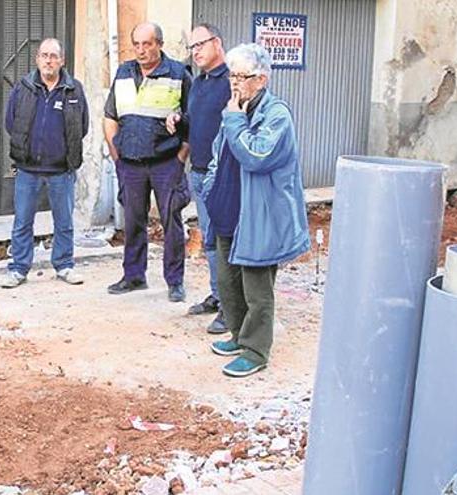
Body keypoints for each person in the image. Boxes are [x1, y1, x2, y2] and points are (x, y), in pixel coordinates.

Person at [202, 44, 310, 377]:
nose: (234, 82)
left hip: (258, 216)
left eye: (242, 76)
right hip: (228, 210)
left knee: (256, 288)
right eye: (232, 75)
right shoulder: (235, 107)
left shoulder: (276, 114)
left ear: (261, 79)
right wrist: (209, 189)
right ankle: (238, 335)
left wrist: (234, 120)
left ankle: (255, 350)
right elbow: (218, 154)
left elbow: (257, 155)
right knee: (228, 281)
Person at [103, 22, 192, 302]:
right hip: (130, 163)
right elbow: (110, 117)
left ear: (159, 44)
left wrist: (180, 159)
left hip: (167, 161)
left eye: (147, 44)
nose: (141, 51)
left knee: (171, 222)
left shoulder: (179, 74)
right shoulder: (124, 72)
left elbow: (194, 121)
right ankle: (134, 276)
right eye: (136, 45)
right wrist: (117, 158)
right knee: (133, 222)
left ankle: (175, 281)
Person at [1, 38, 89, 289]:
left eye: (53, 56)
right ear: (37, 59)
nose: (49, 60)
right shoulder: (24, 87)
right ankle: (18, 268)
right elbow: (11, 122)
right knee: (22, 221)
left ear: (62, 60)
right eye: (44, 55)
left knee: (64, 222)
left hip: (61, 170)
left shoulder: (74, 90)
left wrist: (64, 153)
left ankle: (64, 265)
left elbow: (81, 126)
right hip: (28, 169)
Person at [166, 23, 230, 333]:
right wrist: (179, 121)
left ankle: (231, 307)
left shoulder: (231, 81)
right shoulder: (200, 82)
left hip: (225, 177)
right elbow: (194, 123)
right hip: (200, 172)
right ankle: (219, 297)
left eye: (201, 44)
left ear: (217, 43)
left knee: (226, 242)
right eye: (192, 47)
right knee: (210, 242)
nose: (196, 51)